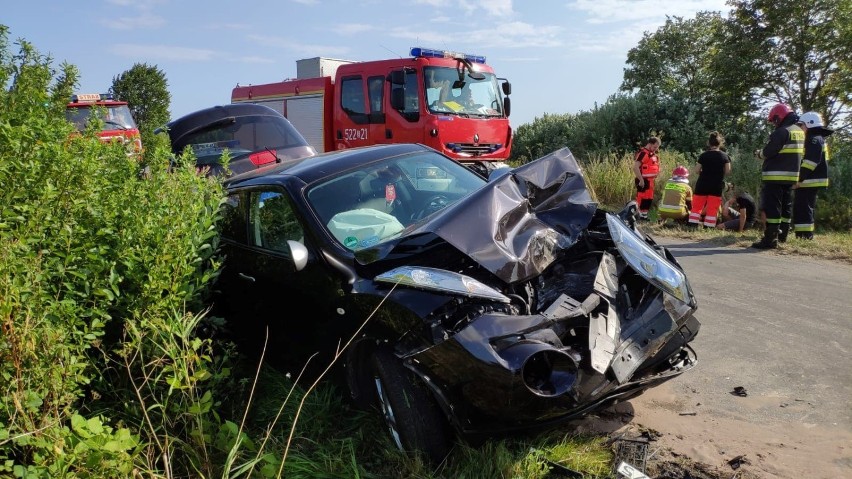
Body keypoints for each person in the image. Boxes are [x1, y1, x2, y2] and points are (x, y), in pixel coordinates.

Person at [751, 103, 804, 249]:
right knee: (786, 206)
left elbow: (769, 151)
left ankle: (770, 239)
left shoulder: (781, 132)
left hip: (775, 176)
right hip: (791, 176)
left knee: (773, 207)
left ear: (778, 117)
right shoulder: (799, 131)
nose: (774, 124)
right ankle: (782, 236)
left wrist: (758, 154)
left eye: (774, 120)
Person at [793, 111, 833, 240]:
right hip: (811, 180)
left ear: (809, 124)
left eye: (801, 125)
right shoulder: (817, 138)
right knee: (804, 207)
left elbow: (811, 162)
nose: (800, 128)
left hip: (810, 180)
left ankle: (805, 236)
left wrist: (799, 179)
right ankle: (803, 235)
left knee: (803, 208)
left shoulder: (814, 139)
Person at [688, 131, 731, 228]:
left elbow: (697, 170)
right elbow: (728, 171)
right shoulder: (725, 156)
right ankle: (708, 226)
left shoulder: (704, 155)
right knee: (712, 208)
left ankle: (692, 225)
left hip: (702, 183)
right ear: (720, 143)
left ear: (709, 143)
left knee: (697, 206)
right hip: (716, 185)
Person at [632, 136, 661, 220]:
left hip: (650, 180)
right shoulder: (644, 153)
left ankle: (643, 215)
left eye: (657, 147)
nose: (655, 149)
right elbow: (635, 167)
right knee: (641, 198)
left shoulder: (651, 154)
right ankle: (637, 215)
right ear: (650, 144)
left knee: (648, 199)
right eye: (655, 147)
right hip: (643, 180)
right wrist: (641, 180)